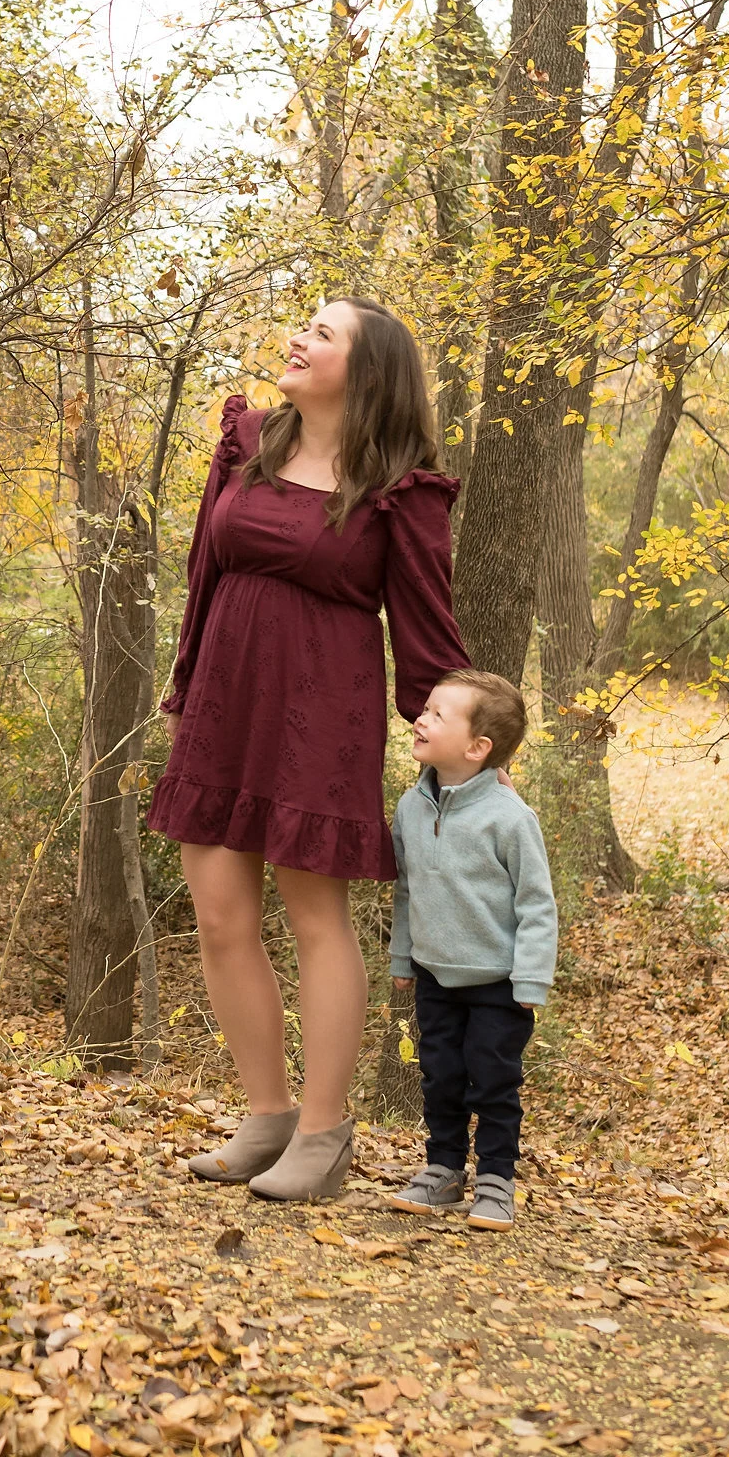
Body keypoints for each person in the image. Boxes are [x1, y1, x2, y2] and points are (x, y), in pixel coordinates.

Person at [151, 296, 469, 1202]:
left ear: (366, 374)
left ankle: (326, 1134)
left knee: (314, 917)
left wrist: (461, 751)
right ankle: (267, 1117)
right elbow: (204, 578)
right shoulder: (246, 442)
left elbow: (427, 630)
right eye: (305, 326)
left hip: (321, 710)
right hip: (223, 695)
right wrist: (183, 686)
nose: (298, 338)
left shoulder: (400, 489)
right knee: (218, 914)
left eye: (323, 334)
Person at [387, 669, 556, 1231]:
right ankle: (443, 1169)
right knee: (440, 1075)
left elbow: (536, 904)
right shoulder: (411, 808)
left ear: (478, 747)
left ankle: (496, 1181)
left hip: (498, 983)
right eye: (425, 708)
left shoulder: (511, 817)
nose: (421, 718)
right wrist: (402, 959)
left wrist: (531, 981)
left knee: (494, 1079)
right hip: (435, 976)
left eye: (438, 714)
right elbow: (408, 889)